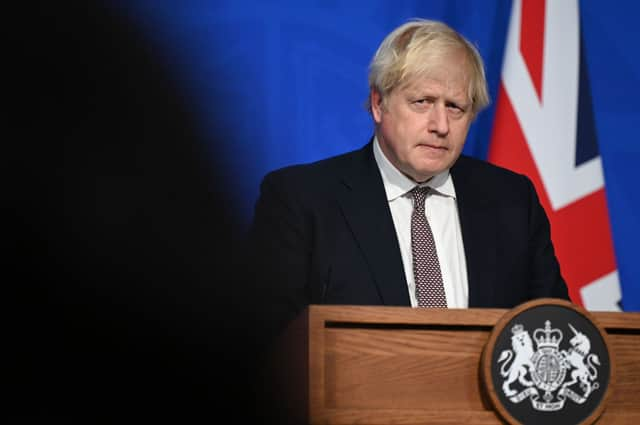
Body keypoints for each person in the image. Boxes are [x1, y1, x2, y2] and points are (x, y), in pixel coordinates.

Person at [245, 18, 569, 345]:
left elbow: (556, 333)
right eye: (422, 102)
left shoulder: (512, 201)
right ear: (378, 103)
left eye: (455, 107)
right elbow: (270, 343)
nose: (440, 125)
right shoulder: (303, 200)